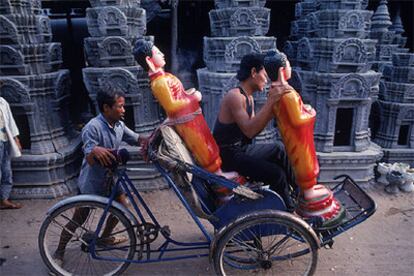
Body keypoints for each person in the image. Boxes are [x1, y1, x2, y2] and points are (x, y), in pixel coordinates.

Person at [54, 88, 147, 264]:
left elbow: (136, 138)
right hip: (93, 181)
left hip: (111, 178)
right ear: (106, 108)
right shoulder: (92, 127)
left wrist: (155, 137)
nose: (123, 110)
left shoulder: (119, 125)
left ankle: (104, 238)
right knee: (79, 218)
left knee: (122, 207)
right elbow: (89, 157)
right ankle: (59, 252)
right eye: (119, 106)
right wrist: (95, 150)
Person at [264, 50, 343, 222]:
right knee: (306, 165)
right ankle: (309, 194)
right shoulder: (288, 94)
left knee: (300, 164)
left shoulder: (275, 91)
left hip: (291, 138)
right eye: (289, 65)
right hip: (300, 141)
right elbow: (299, 120)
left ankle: (308, 191)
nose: (291, 67)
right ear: (281, 71)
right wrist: (312, 113)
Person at [213, 53, 297, 210]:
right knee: (276, 174)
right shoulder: (235, 96)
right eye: (264, 75)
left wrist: (274, 109)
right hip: (229, 156)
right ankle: (290, 211)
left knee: (279, 149)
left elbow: (253, 130)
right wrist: (271, 102)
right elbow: (250, 131)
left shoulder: (249, 98)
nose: (266, 81)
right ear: (253, 72)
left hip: (241, 150)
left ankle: (300, 194)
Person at [133, 40, 224, 174]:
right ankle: (220, 184)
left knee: (209, 147)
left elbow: (179, 96)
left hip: (191, 119)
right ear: (149, 60)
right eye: (158, 53)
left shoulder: (165, 77)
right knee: (204, 151)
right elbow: (172, 107)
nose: (162, 54)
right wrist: (193, 98)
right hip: (186, 124)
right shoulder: (159, 83)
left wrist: (188, 94)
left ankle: (220, 175)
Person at [0, 96, 22, 210]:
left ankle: (4, 199)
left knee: (6, 171)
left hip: (4, 140)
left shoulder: (3, 102)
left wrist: (15, 138)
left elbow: (10, 122)